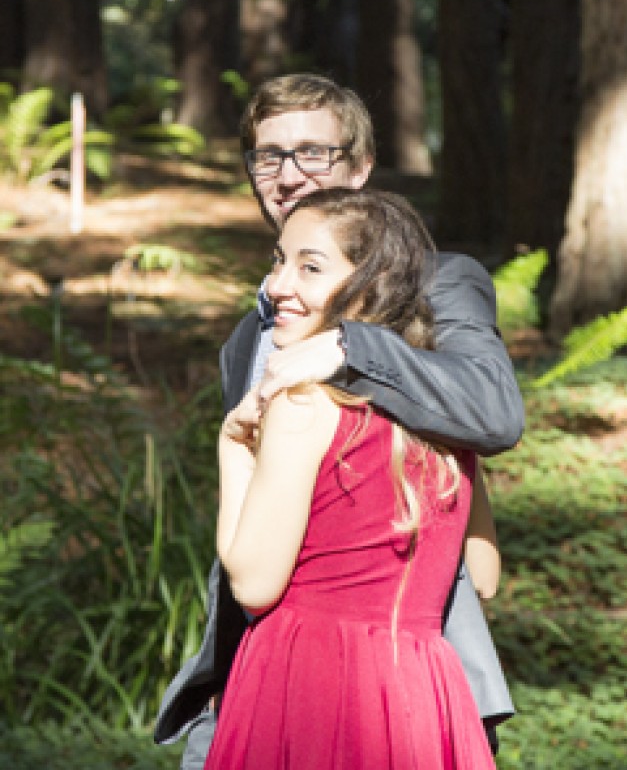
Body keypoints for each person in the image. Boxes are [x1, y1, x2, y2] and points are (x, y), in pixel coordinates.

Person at [153, 74, 524, 767]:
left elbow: (494, 410)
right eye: (269, 156)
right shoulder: (253, 334)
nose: (288, 175)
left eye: (313, 154)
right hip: (255, 673)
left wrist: (349, 345)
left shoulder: (440, 283)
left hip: (401, 674)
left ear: (359, 169)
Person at [205, 187, 498, 769]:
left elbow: (254, 584)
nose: (278, 285)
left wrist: (233, 449)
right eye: (279, 260)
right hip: (421, 682)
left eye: (309, 267)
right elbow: (484, 575)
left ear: (370, 286)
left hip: (311, 679)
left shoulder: (305, 406)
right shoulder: (445, 422)